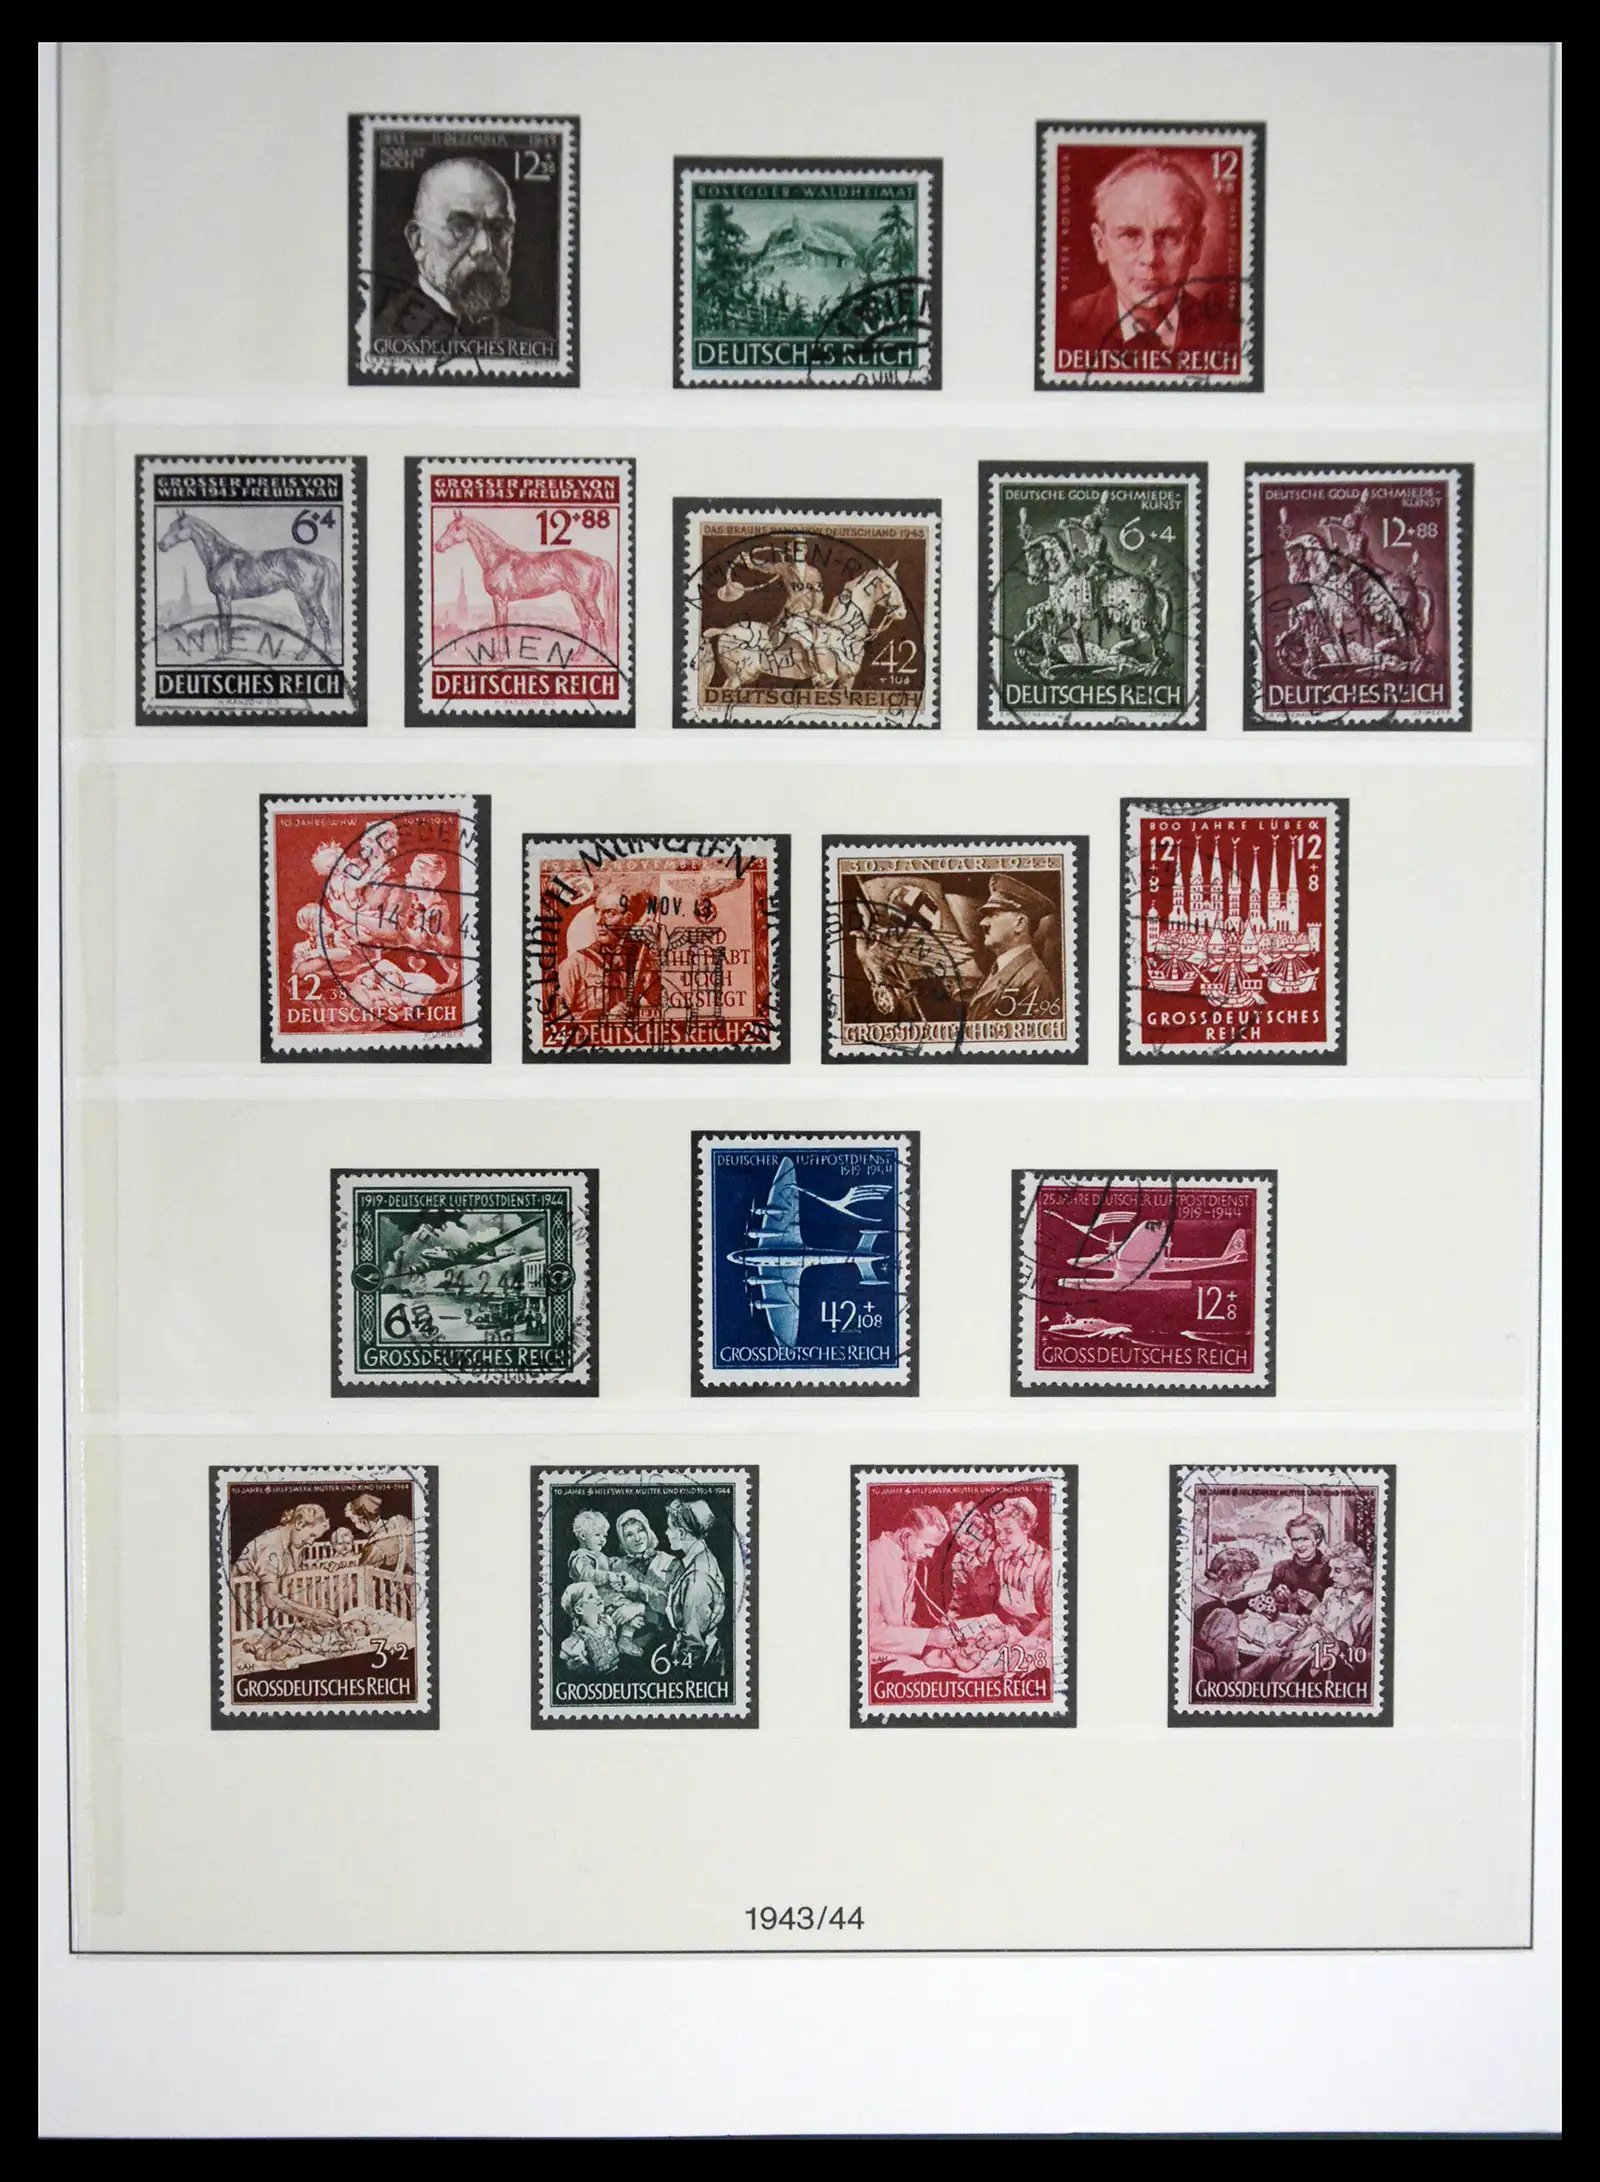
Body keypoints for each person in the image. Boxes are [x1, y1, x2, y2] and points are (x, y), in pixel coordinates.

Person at [1061, 149, 1237, 355]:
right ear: (1101, 244)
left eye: (1169, 236)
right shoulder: (1067, 324)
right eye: (1130, 235)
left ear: (1196, 245)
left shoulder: (1228, 333)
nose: (1150, 257)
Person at [373, 157, 541, 349]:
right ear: (418, 241)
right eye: (460, 227)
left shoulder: (534, 343)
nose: (484, 247)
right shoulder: (376, 334)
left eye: (499, 229)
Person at [557, 884, 663, 1024]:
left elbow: (658, 1005)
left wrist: (654, 949)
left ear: (628, 920)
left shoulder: (640, 960)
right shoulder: (574, 965)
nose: (599, 921)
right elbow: (558, 1018)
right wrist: (602, 1018)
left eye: (609, 913)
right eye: (598, 913)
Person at [865, 1503, 952, 1664]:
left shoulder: (908, 1556)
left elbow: (898, 1621)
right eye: (927, 1546)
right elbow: (870, 1632)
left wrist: (932, 1634)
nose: (930, 1554)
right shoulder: (873, 1557)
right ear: (906, 1535)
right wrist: (928, 1637)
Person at [966, 874, 1060, 1020]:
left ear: (1020, 923)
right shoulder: (1000, 969)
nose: (983, 923)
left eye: (993, 915)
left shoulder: (1034, 979)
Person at [232, 1503, 338, 1631]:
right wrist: (315, 1615)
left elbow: (295, 1578)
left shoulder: (292, 1544)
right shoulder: (270, 1547)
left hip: (261, 1612)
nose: (311, 1542)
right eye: (311, 1535)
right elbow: (271, 1599)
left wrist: (322, 1570)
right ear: (299, 1523)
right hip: (242, 1615)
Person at [663, 1500, 728, 1674]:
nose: (666, 1533)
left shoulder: (696, 1579)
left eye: (670, 1528)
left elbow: (693, 1643)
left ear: (681, 1533)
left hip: (700, 1664)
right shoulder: (700, 1559)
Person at [609, 1508, 677, 1657]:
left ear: (648, 1531)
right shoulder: (618, 1566)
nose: (637, 1538)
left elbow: (676, 1604)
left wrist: (639, 1608)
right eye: (629, 1535)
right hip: (625, 1642)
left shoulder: (670, 1563)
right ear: (622, 1539)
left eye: (640, 1530)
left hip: (663, 1641)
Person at [989, 1495, 1052, 1636]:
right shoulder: (999, 1556)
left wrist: (1025, 1643)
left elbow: (1051, 1620)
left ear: (1026, 1528)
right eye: (998, 1532)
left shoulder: (1045, 1563)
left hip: (1038, 1638)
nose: (1002, 1538)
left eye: (1009, 1531)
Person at [1267, 1515, 1332, 1611]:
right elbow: (1266, 1603)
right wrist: (1275, 1596)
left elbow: (1337, 1614)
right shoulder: (1281, 1568)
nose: (1299, 1545)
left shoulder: (1330, 1568)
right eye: (1295, 1540)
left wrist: (1316, 1606)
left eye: (1305, 1539)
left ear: (1317, 1539)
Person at [558, 1582, 622, 1674]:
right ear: (579, 1609)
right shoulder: (579, 1639)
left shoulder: (607, 1622)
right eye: (591, 1597)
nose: (599, 1598)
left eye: (597, 1594)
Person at [345, 1493, 414, 1575]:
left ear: (363, 1521)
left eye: (355, 1522)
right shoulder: (401, 1520)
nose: (357, 1526)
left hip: (392, 1580)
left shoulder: (374, 1546)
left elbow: (360, 1572)